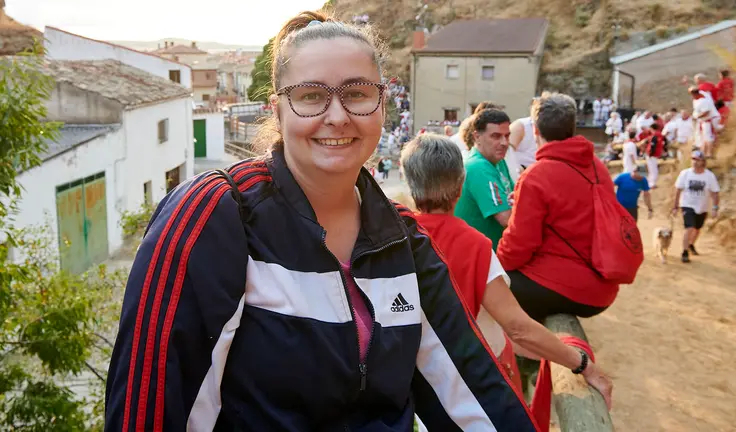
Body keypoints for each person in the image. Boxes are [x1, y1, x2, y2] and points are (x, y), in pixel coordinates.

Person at [104, 11, 538, 431]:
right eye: (311, 95)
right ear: (278, 110)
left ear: (382, 104)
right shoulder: (215, 215)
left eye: (357, 93)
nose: (337, 116)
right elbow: (150, 411)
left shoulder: (403, 239)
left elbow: (474, 394)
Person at [400, 133, 613, 414]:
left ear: (409, 183)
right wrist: (583, 364)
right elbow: (518, 328)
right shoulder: (473, 245)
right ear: (461, 184)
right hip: (476, 385)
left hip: (420, 384)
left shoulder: (397, 236)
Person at [497, 92, 619, 322]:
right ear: (573, 127)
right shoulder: (597, 167)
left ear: (535, 131)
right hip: (603, 286)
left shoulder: (536, 175)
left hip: (563, 284)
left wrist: (497, 264)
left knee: (489, 283)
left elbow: (517, 247)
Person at [454, 109, 514, 250]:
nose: (504, 143)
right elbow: (507, 219)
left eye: (507, 136)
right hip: (478, 254)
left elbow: (516, 197)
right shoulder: (478, 167)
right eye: (496, 136)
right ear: (477, 137)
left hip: (491, 251)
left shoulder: (498, 161)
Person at [672, 150, 720, 263]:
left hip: (702, 206)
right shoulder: (685, 173)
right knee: (689, 227)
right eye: (693, 159)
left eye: (697, 160)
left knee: (697, 229)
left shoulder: (709, 176)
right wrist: (675, 206)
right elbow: (678, 190)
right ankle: (684, 252)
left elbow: (715, 193)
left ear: (703, 162)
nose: (694, 162)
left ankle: (691, 244)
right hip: (687, 204)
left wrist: (715, 207)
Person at [690, 86, 720, 157]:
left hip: (709, 120)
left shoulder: (704, 101)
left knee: (708, 137)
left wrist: (696, 117)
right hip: (704, 121)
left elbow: (706, 112)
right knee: (704, 138)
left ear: (695, 94)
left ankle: (709, 154)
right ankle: (704, 153)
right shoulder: (700, 96)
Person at [645, 123, 664, 188]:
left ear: (652, 128)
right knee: (653, 169)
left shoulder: (654, 136)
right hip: (656, 154)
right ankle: (650, 183)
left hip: (652, 154)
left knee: (652, 170)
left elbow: (652, 146)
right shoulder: (660, 135)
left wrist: (650, 153)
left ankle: (651, 183)